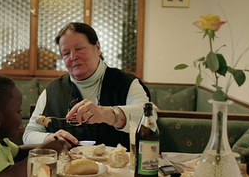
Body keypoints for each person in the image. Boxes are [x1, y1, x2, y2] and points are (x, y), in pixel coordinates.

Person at [23, 22, 154, 150]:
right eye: (66, 53)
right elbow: (29, 134)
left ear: (97, 47)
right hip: (68, 168)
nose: (73, 57)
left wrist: (106, 114)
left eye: (79, 49)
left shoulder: (126, 83)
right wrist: (50, 138)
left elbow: (149, 118)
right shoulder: (53, 91)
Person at [0, 73, 65, 177]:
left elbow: (19, 152)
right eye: (18, 111)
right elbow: (7, 175)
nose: (21, 115)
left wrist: (49, 146)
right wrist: (42, 152)